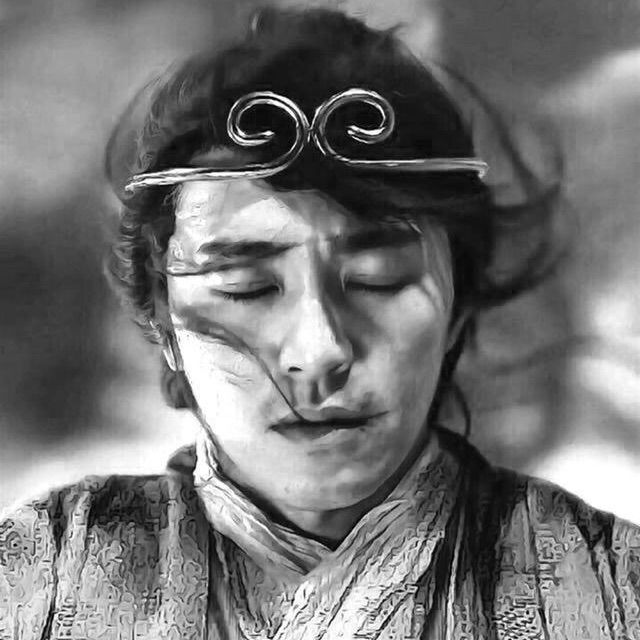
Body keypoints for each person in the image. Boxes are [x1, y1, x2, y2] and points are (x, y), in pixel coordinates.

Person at [1, 7, 639, 640]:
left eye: (378, 280)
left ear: (458, 311)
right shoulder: (40, 581)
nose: (320, 349)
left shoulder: (610, 589)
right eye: (247, 289)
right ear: (164, 325)